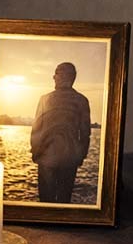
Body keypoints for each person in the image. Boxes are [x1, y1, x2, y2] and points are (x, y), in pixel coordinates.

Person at [30, 62, 91, 203]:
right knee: (64, 200)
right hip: (70, 159)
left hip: (46, 158)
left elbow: (36, 129)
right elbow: (85, 133)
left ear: (68, 77)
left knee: (46, 201)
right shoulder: (82, 100)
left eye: (56, 73)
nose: (53, 77)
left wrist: (35, 152)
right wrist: (80, 156)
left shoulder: (45, 99)